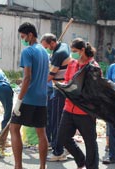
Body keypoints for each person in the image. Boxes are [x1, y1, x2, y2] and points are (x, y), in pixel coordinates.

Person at [1, 22, 49, 169]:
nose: (22, 40)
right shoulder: (44, 51)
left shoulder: (28, 51)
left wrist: (19, 100)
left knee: (14, 129)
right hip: (42, 97)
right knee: (41, 133)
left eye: (23, 37)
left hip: (29, 98)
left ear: (30, 35)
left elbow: (28, 77)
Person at [57, 38, 99, 169]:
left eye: (75, 51)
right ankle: (81, 161)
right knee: (62, 137)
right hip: (69, 108)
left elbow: (94, 91)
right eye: (71, 51)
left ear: (82, 50)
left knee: (90, 142)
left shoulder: (93, 66)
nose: (72, 54)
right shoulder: (72, 64)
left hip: (85, 112)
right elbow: (68, 81)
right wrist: (63, 86)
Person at [40, 33, 71, 161]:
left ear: (52, 43)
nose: (46, 49)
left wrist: (37, 83)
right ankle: (64, 147)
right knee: (57, 120)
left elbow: (50, 76)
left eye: (46, 46)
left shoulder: (58, 54)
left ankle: (58, 152)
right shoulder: (63, 46)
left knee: (57, 121)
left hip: (60, 89)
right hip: (62, 88)